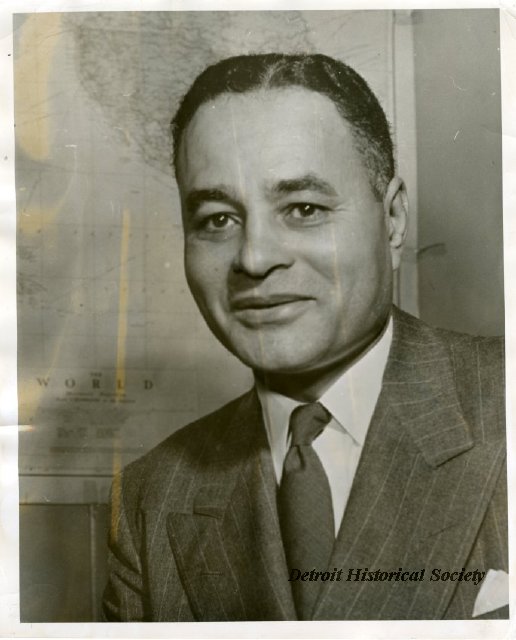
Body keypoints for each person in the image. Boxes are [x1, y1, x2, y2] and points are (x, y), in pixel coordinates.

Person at [102, 53, 507, 621]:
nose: (255, 257)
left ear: (392, 220)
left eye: (303, 208)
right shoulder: (151, 497)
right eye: (218, 219)